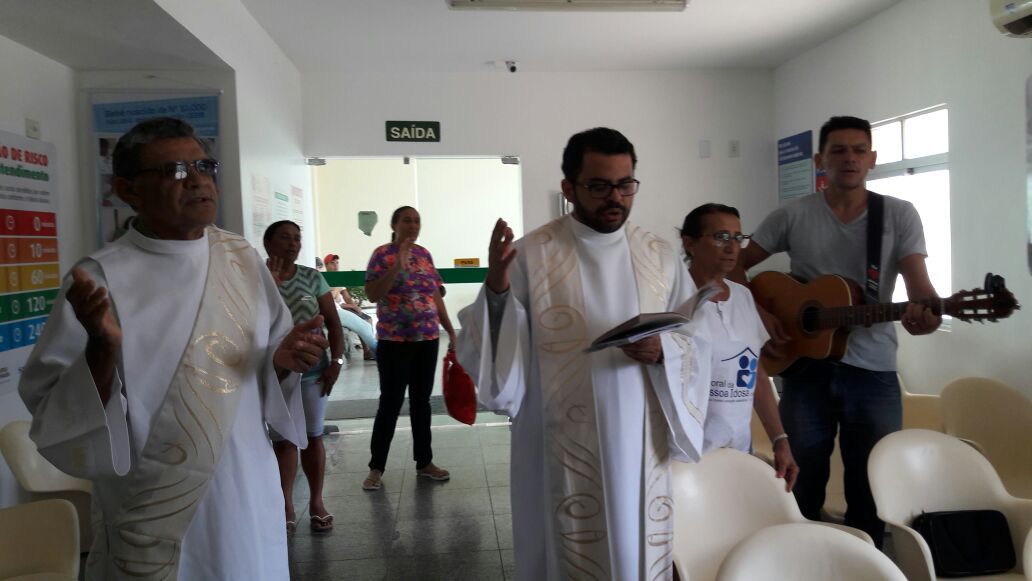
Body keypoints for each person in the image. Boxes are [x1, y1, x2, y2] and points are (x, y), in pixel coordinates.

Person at [18, 117, 327, 580]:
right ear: (128, 190)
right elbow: (52, 408)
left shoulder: (240, 258)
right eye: (175, 170)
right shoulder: (99, 277)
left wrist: (283, 361)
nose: (198, 180)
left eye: (204, 166)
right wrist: (101, 349)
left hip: (245, 495)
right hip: (154, 513)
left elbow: (263, 363)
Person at [456, 127, 711, 580]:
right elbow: (494, 354)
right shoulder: (530, 255)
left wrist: (664, 351)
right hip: (557, 441)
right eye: (599, 186)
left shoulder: (659, 256)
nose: (616, 197)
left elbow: (694, 335)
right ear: (569, 188)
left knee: (633, 550)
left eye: (625, 184)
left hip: (641, 439)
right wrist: (496, 288)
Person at [732, 115, 941, 547]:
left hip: (874, 371)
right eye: (839, 150)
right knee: (800, 480)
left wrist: (931, 315)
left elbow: (921, 292)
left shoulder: (897, 215)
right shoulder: (792, 215)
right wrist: (759, 313)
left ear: (872, 158)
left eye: (859, 150)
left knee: (873, 483)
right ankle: (800, 559)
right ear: (820, 160)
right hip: (804, 368)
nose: (850, 158)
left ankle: (868, 564)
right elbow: (733, 267)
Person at [680, 203, 798, 491]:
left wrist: (780, 439)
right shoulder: (673, 297)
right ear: (689, 243)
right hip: (687, 455)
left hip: (737, 451)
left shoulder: (743, 297)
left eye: (738, 237)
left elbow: (754, 372)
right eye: (721, 237)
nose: (732, 247)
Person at [362, 206, 457, 491]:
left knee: (421, 402)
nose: (413, 225)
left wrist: (451, 330)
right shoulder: (382, 254)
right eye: (407, 220)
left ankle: (424, 462)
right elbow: (372, 294)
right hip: (394, 342)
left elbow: (435, 296)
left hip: (427, 339)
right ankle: (376, 467)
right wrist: (396, 266)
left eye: (417, 221)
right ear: (394, 225)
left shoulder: (424, 254)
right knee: (390, 403)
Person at [264, 221, 345, 534]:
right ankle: (285, 504)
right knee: (283, 439)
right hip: (275, 372)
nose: (293, 243)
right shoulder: (257, 277)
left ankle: (316, 502)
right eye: (285, 237)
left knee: (313, 436)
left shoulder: (312, 277)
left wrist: (336, 362)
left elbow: (333, 323)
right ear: (268, 243)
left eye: (297, 238)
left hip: (313, 372)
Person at [324, 252, 377, 359]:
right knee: (365, 324)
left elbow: (347, 297)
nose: (336, 265)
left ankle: (369, 350)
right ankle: (372, 351)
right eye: (332, 263)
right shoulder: (324, 279)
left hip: (342, 308)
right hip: (337, 310)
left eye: (337, 263)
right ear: (326, 265)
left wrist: (355, 307)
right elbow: (331, 300)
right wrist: (351, 306)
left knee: (368, 319)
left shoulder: (339, 279)